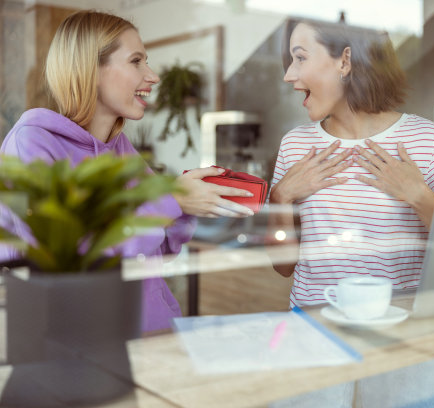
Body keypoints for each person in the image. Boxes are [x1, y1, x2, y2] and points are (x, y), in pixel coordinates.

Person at [0, 10, 254, 333]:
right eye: (136, 61)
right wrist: (170, 199)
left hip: (152, 339)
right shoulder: (32, 143)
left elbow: (157, 250)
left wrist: (189, 202)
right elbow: (73, 259)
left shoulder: (120, 149)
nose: (153, 75)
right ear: (91, 69)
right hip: (81, 353)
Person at [267, 18, 434, 407]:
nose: (289, 75)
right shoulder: (295, 144)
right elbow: (283, 266)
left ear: (345, 61)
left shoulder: (426, 140)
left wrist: (420, 197)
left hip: (406, 336)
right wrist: (280, 197)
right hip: (313, 334)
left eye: (299, 58)